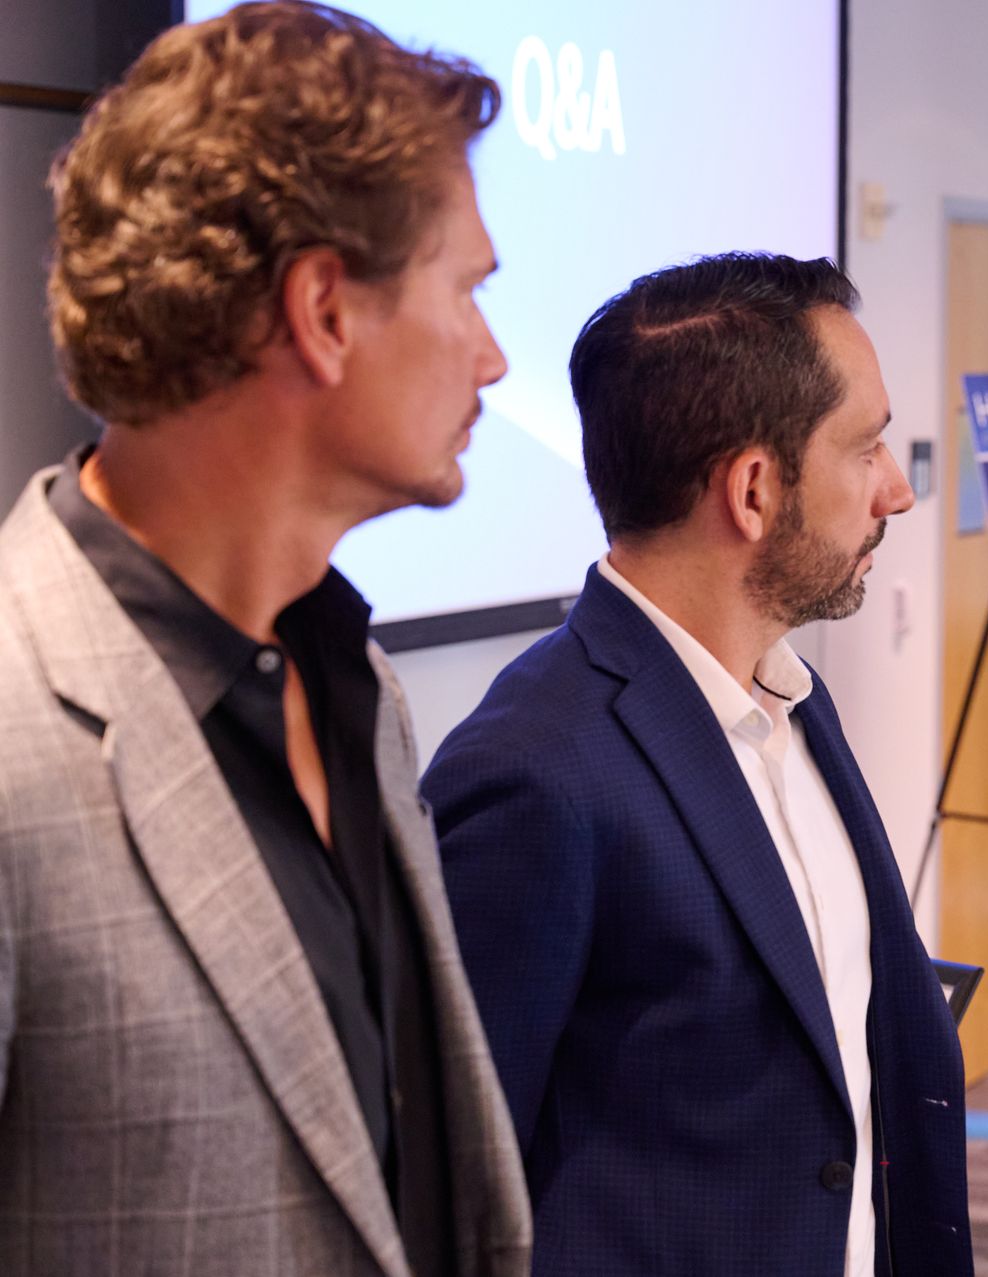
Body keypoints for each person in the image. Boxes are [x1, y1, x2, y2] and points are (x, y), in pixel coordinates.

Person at [0, 4, 530, 1274]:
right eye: (464, 291)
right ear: (323, 312)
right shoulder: (16, 729)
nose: (496, 356)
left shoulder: (359, 688)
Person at [422, 253, 973, 1277]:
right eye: (866, 448)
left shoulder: (797, 701)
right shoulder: (534, 768)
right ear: (756, 489)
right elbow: (454, 1185)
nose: (895, 489)